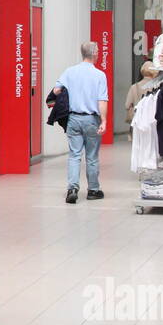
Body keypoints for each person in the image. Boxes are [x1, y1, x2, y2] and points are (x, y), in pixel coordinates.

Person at [54, 41, 110, 204]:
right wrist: (104, 120)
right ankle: (93, 190)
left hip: (73, 119)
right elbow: (102, 100)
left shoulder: (70, 72)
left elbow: (57, 90)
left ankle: (72, 189)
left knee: (74, 155)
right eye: (98, 51)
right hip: (91, 119)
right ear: (94, 54)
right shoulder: (99, 75)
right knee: (92, 156)